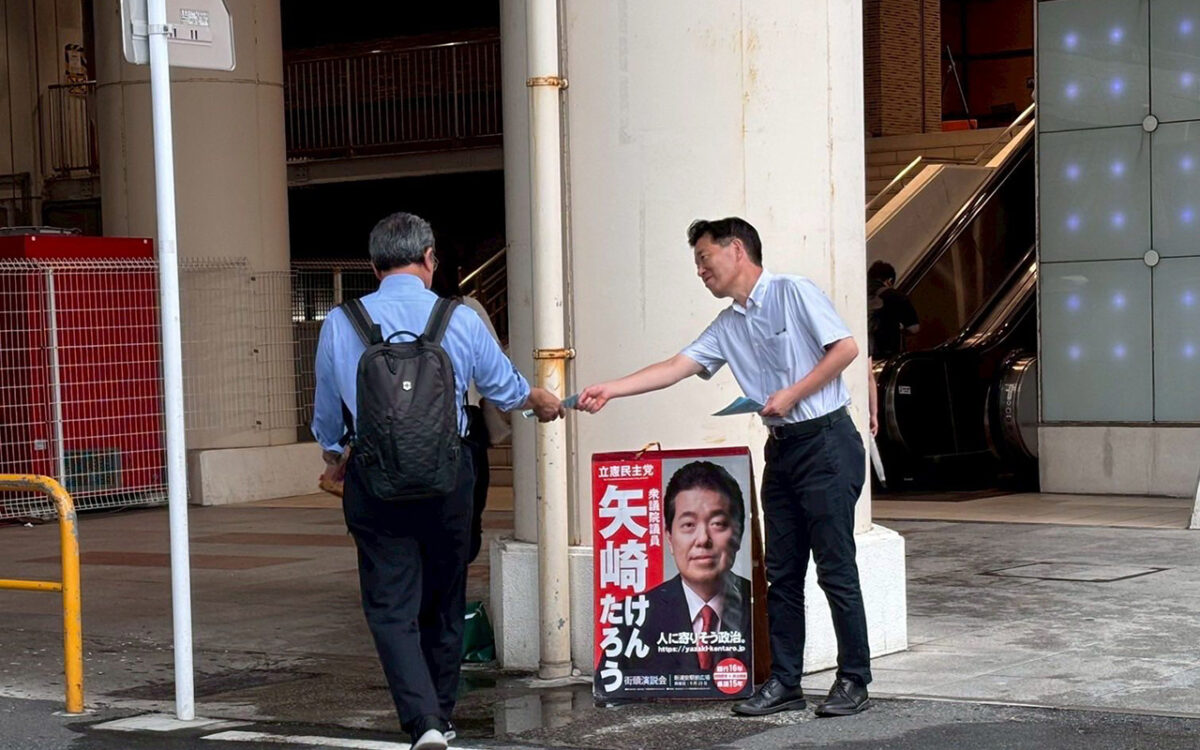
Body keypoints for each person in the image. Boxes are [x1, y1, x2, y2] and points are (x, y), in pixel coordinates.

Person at [578, 216, 871, 718]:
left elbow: (845, 348)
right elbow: (676, 366)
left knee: (835, 567)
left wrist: (792, 394)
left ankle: (853, 679)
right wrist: (611, 389)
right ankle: (785, 682)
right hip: (782, 450)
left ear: (736, 249)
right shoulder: (728, 324)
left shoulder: (792, 291)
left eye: (704, 258)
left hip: (825, 442)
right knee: (781, 573)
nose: (700, 270)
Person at [312, 212, 563, 750]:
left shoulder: (341, 321)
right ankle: (442, 715)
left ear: (374, 266)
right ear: (429, 258)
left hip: (374, 481)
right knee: (445, 598)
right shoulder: (459, 317)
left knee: (390, 605)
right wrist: (538, 400)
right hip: (449, 478)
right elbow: (502, 386)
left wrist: (335, 454)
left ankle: (422, 719)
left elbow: (328, 415)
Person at [609, 461, 752, 679]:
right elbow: (611, 683)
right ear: (669, 538)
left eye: (717, 523)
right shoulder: (634, 615)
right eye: (688, 525)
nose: (702, 539)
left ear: (738, 534)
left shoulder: (760, 606)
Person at [432, 264, 512, 564]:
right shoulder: (466, 310)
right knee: (468, 509)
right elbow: (496, 366)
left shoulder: (379, 312)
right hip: (464, 423)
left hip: (402, 424)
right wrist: (529, 398)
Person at [866, 260, 919, 359]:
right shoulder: (896, 296)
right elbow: (914, 329)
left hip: (862, 355)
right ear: (889, 281)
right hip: (886, 356)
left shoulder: (858, 294)